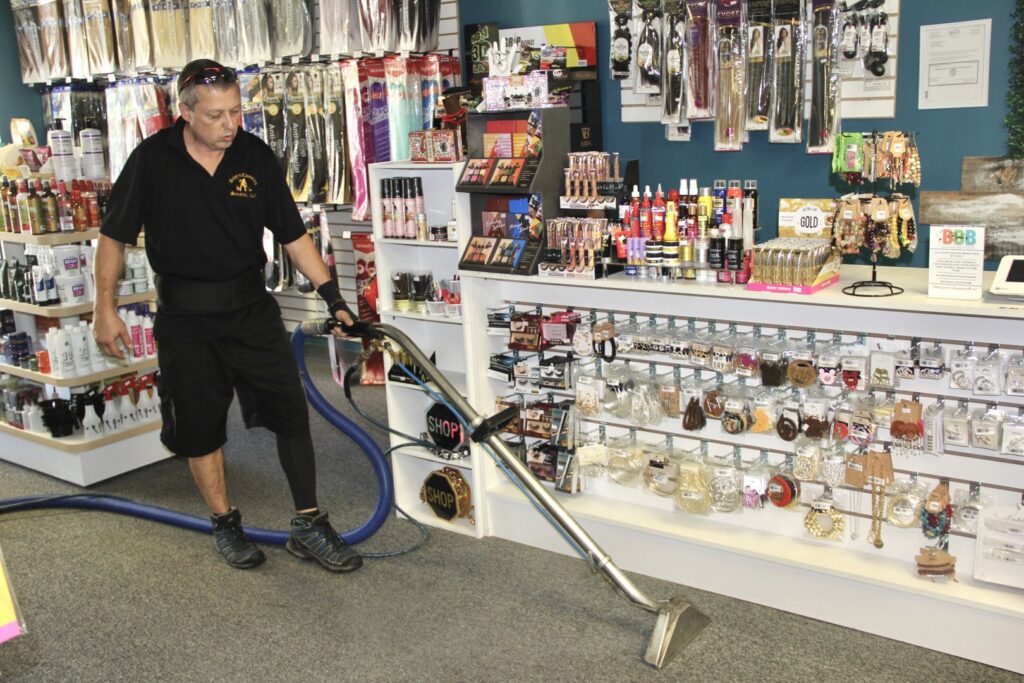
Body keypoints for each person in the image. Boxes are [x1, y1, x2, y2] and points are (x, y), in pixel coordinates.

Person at [94, 59, 363, 573]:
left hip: (251, 311)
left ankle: (308, 523)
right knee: (200, 427)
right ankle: (225, 523)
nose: (229, 125)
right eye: (216, 115)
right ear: (186, 112)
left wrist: (335, 296)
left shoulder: (254, 155)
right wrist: (103, 309)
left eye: (236, 112)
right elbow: (114, 238)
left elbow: (292, 234)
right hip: (185, 317)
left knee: (290, 412)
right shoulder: (152, 160)